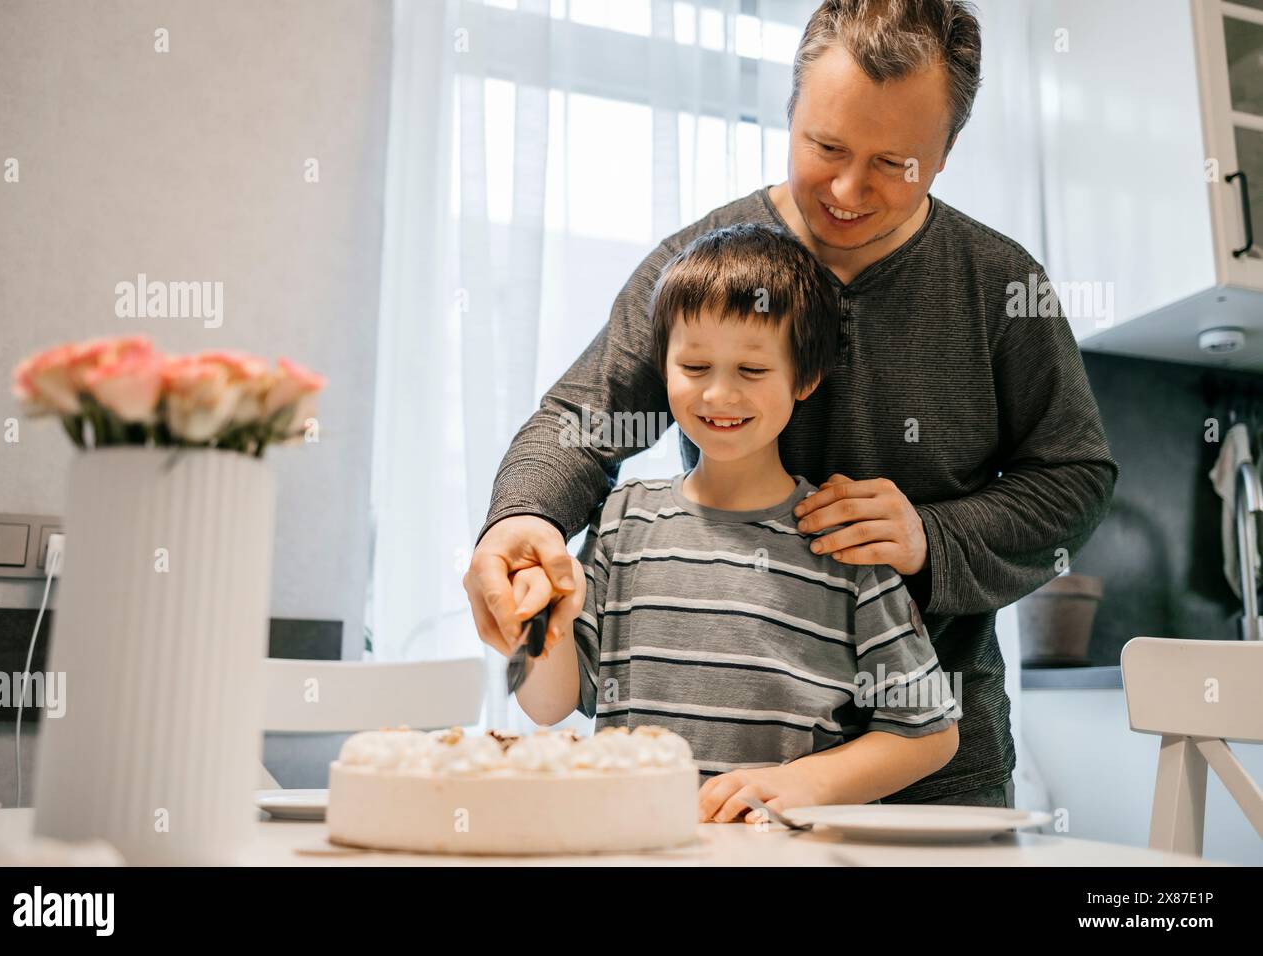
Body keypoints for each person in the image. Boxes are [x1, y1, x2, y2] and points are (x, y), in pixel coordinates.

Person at [464, 0, 1117, 809]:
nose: (848, 189)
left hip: (934, 782)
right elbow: (579, 422)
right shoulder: (699, 266)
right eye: (826, 146)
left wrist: (932, 537)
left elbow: (1075, 477)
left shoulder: (1000, 284)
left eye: (894, 162)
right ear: (790, 112)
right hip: (718, 791)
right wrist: (519, 521)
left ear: (946, 155)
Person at [502, 224, 961, 823]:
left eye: (751, 370)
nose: (719, 395)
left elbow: (927, 731)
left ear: (803, 379)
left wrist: (809, 784)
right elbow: (550, 703)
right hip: (635, 845)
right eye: (694, 365)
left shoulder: (842, 539)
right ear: (662, 367)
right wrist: (539, 622)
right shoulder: (623, 521)